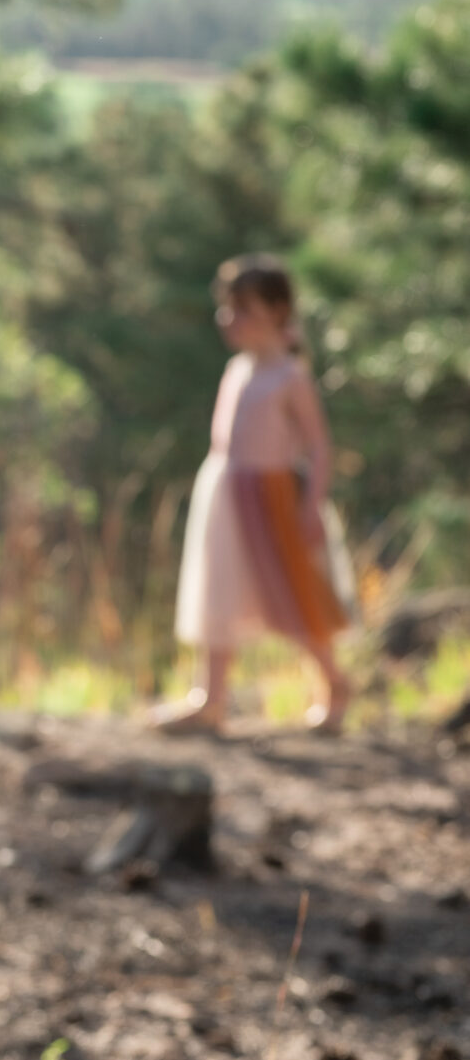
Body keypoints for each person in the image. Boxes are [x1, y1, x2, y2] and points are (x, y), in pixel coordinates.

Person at [156, 253, 353, 734]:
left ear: (278, 312)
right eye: (228, 307)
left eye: (244, 308)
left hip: (273, 497)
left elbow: (320, 449)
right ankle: (211, 699)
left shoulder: (290, 376)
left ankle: (335, 684)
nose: (230, 319)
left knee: (293, 592)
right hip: (226, 493)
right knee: (218, 592)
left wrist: (311, 509)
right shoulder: (237, 369)